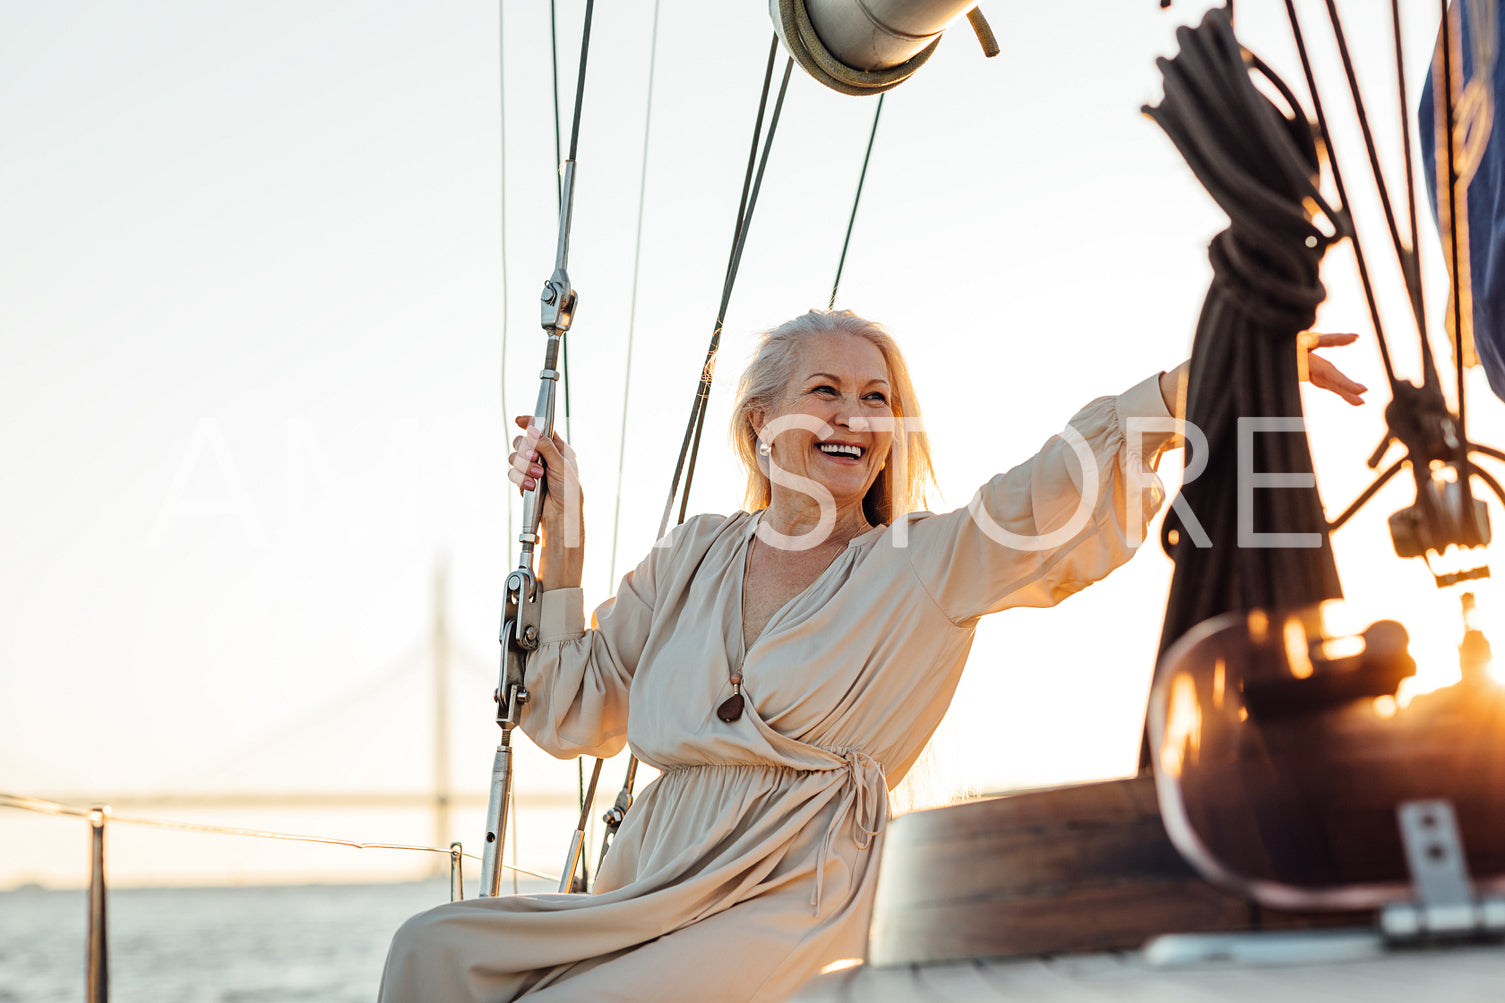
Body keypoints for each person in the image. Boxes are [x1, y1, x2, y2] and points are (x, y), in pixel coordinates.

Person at [378, 309, 1365, 1002]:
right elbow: (568, 713)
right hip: (651, 878)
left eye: (875, 398)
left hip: (798, 889)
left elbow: (1053, 480)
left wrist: (1215, 373)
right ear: (761, 423)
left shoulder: (925, 563)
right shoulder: (692, 555)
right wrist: (566, 534)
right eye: (826, 391)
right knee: (434, 949)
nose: (855, 416)